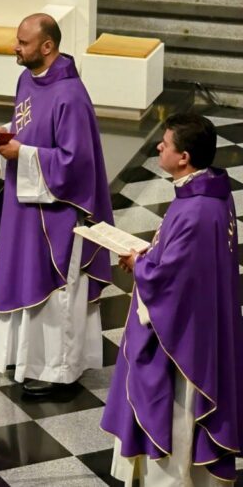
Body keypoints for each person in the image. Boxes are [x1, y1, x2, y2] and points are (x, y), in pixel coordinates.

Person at [101, 113, 243, 485]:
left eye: (165, 144)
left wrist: (140, 264)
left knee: (177, 412)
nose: (159, 147)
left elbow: (173, 281)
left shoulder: (197, 209)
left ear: (184, 157)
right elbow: (186, 261)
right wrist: (151, 253)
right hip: (201, 322)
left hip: (184, 340)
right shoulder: (211, 191)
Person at [0, 12, 113, 396]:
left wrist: (21, 153)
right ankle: (24, 358)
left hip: (56, 211)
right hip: (25, 205)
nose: (15, 48)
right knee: (22, 274)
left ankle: (58, 371)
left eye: (23, 43)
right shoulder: (27, 78)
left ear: (47, 46)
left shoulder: (70, 96)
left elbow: (76, 164)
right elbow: (26, 129)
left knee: (56, 287)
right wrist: (3, 136)